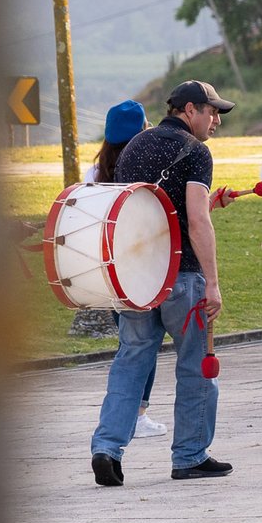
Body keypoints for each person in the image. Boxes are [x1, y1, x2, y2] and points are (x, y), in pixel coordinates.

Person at [90, 81, 235, 485]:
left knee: (130, 362)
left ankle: (107, 448)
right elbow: (195, 219)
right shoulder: (197, 152)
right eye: (212, 111)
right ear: (190, 110)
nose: (216, 120)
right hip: (182, 276)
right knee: (195, 366)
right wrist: (212, 282)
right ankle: (189, 455)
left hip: (137, 276)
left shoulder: (135, 146)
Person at [84, 100, 166, 439]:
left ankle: (128, 413)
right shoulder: (144, 166)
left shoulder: (95, 171)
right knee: (143, 342)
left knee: (129, 342)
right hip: (144, 266)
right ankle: (137, 413)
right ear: (143, 130)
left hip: (109, 266)